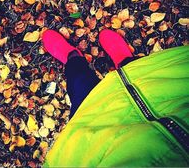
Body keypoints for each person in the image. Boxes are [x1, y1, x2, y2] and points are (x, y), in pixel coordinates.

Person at [42, 29, 189, 167]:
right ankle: (124, 61)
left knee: (81, 88)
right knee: (141, 77)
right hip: (168, 98)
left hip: (93, 144)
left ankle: (73, 58)